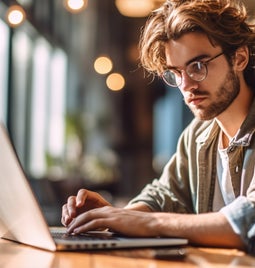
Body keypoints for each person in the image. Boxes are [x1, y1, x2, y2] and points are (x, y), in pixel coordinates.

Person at [62, 0, 255, 252]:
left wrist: (149, 222)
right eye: (176, 72)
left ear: (239, 58)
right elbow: (166, 195)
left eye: (198, 66)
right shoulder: (197, 134)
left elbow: (247, 220)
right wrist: (115, 216)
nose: (186, 85)